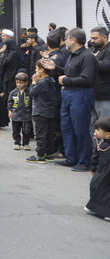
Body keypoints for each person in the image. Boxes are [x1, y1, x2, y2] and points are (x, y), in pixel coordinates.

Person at [43, 27, 97, 172]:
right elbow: (67, 73)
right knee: (67, 127)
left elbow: (86, 79)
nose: (65, 41)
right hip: (68, 95)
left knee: (81, 129)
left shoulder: (87, 57)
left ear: (73, 40)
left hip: (81, 94)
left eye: (66, 38)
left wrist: (66, 80)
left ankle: (84, 161)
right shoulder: (72, 55)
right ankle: (71, 158)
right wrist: (55, 67)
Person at [27, 61, 58, 163]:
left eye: (36, 68)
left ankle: (40, 155)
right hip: (49, 110)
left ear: (41, 70)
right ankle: (48, 153)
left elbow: (32, 92)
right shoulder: (51, 80)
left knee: (40, 134)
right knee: (48, 133)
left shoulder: (42, 82)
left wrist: (33, 82)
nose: (35, 70)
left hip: (40, 110)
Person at [84, 117, 110, 221]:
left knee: (106, 192)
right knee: (94, 186)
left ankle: (107, 211)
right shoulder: (100, 144)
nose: (95, 132)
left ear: (107, 134)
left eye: (98, 130)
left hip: (108, 174)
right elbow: (95, 157)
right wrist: (93, 168)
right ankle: (94, 206)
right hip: (100, 171)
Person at [7, 72, 33, 151]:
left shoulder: (29, 92)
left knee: (26, 130)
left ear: (26, 83)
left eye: (21, 83)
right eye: (17, 82)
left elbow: (32, 103)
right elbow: (10, 102)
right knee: (16, 130)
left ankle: (26, 143)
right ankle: (17, 143)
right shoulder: (13, 92)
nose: (19, 84)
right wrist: (10, 110)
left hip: (26, 114)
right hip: (16, 114)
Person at [91, 27, 110, 125]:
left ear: (105, 37)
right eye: (91, 38)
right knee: (93, 125)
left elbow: (106, 67)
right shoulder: (95, 49)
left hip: (105, 96)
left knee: (105, 125)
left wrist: (93, 59)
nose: (92, 41)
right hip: (93, 94)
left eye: (95, 38)